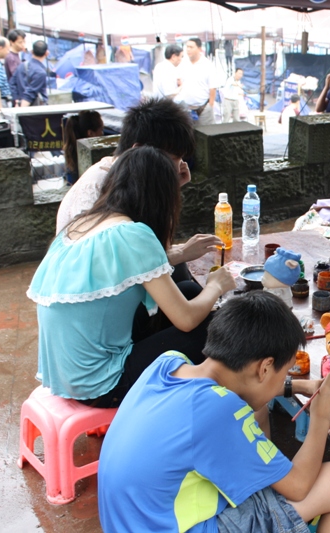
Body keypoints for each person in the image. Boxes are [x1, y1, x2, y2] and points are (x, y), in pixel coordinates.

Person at [98, 291, 330, 532]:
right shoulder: (219, 411)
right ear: (265, 367)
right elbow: (298, 486)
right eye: (286, 371)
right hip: (171, 527)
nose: (285, 378)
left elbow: (233, 390)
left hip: (134, 521)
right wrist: (320, 418)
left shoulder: (167, 364)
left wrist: (294, 385)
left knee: (257, 429)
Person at [27, 146, 236, 407]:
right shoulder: (133, 234)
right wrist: (216, 286)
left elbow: (141, 268)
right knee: (219, 324)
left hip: (67, 377)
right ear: (160, 197)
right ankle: (213, 403)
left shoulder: (83, 224)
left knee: (189, 292)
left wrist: (190, 268)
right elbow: (186, 320)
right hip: (103, 386)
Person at [57, 98, 220, 275]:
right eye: (174, 158)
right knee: (188, 286)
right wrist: (181, 253)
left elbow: (155, 246)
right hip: (91, 286)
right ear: (139, 150)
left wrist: (169, 192)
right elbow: (111, 270)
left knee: (182, 273)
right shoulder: (100, 184)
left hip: (116, 277)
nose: (179, 166)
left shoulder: (134, 179)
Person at [175, 37, 224, 127]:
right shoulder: (183, 63)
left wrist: (210, 105)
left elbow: (213, 87)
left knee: (206, 135)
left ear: (199, 49)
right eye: (187, 47)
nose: (188, 49)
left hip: (203, 109)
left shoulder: (207, 65)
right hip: (186, 108)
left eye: (191, 47)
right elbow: (180, 81)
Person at [62, 110, 104, 185]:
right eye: (101, 130)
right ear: (90, 133)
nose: (102, 134)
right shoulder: (93, 159)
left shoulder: (73, 153)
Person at [10, 40, 48, 107]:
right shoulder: (41, 73)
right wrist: (22, 109)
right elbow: (30, 93)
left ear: (32, 52)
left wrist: (16, 101)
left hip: (19, 104)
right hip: (34, 109)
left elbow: (12, 83)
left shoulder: (22, 65)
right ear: (47, 53)